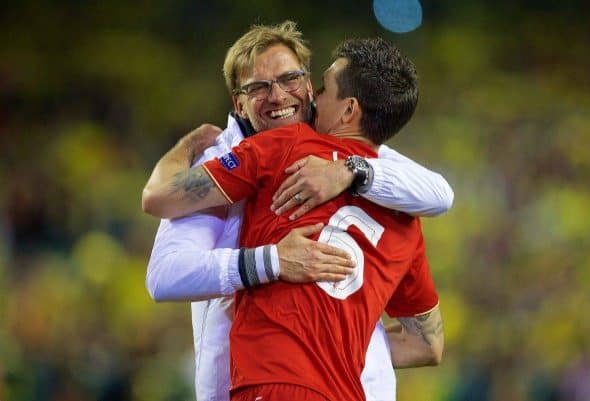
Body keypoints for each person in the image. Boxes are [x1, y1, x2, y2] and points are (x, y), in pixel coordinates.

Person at [143, 22, 452, 401]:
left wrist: (185, 147)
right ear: (238, 103)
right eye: (258, 86)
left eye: (299, 81)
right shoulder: (402, 203)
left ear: (314, 90)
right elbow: (428, 346)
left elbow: (157, 196)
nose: (276, 95)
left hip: (273, 384)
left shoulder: (284, 147)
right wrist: (337, 335)